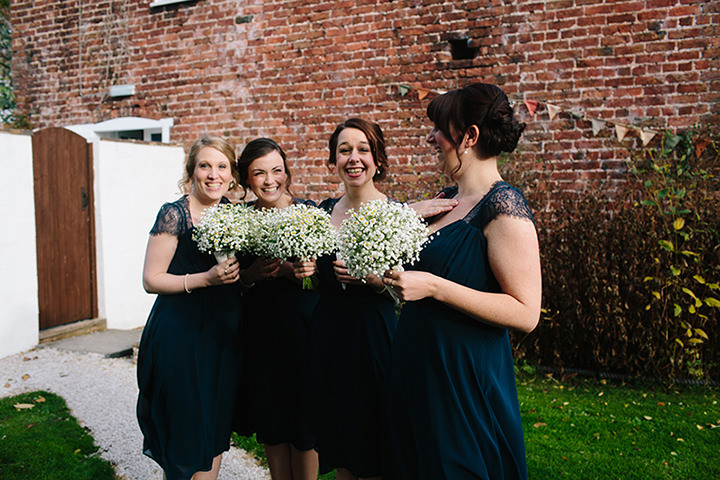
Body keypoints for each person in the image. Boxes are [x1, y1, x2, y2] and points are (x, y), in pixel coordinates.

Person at [381, 83, 542, 479]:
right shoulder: (443, 199)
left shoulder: (504, 206)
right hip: (417, 368)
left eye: (440, 127)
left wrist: (436, 287)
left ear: (468, 136)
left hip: (462, 378)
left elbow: (526, 312)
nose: (431, 136)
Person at [293, 118, 398, 480]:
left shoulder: (396, 215)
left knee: (372, 443)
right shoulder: (322, 214)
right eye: (344, 150)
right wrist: (305, 274)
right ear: (333, 160)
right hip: (327, 338)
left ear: (377, 159)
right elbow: (321, 284)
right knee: (339, 445)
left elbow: (406, 294)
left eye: (363, 149)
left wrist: (373, 280)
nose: (354, 158)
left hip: (373, 341)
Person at [137, 135, 243, 480]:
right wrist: (205, 279)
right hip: (180, 337)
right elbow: (151, 279)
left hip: (222, 338)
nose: (213, 174)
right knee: (184, 433)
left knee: (213, 428)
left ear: (231, 176)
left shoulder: (233, 214)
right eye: (205, 166)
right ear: (191, 172)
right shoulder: (174, 214)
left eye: (221, 167)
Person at [232, 138, 320, 480]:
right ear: (246, 179)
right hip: (260, 334)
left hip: (302, 331)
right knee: (272, 422)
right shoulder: (239, 220)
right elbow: (233, 287)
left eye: (276, 171)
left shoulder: (308, 213)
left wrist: (296, 274)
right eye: (259, 173)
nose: (270, 180)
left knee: (303, 424)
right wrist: (250, 276)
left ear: (286, 172)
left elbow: (318, 283)